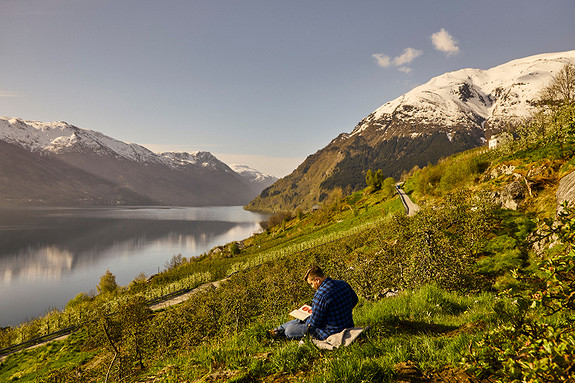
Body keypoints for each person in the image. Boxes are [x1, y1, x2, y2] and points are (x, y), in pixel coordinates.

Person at [269, 266, 358, 340]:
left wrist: (307, 319)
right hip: (348, 324)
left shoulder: (321, 295)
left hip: (330, 331)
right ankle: (277, 330)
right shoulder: (343, 283)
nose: (312, 287)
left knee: (290, 330)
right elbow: (355, 300)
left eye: (311, 283)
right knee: (299, 320)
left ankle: (278, 332)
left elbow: (314, 323)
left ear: (317, 280)